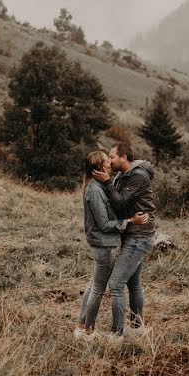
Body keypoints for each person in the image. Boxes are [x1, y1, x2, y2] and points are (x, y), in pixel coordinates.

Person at [74, 150, 148, 338]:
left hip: (104, 243)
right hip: (104, 245)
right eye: (106, 161)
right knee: (98, 288)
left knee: (94, 285)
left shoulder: (100, 186)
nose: (109, 164)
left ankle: (82, 326)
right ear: (99, 167)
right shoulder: (95, 190)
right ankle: (87, 331)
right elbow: (105, 224)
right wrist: (130, 221)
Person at [92, 142, 157, 340]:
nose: (109, 161)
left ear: (124, 157)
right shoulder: (123, 175)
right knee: (133, 284)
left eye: (112, 157)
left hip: (139, 235)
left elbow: (120, 201)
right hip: (132, 232)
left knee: (116, 283)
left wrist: (107, 183)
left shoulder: (138, 176)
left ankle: (117, 334)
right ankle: (137, 329)